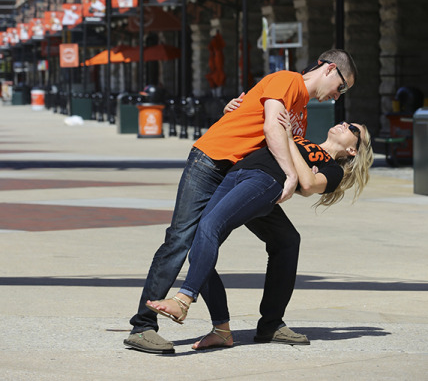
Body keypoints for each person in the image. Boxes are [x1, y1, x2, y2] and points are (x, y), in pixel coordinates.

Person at [124, 49, 357, 354]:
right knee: (182, 238)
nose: (337, 97)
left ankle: (269, 324)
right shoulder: (288, 81)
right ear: (328, 69)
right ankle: (143, 326)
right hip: (212, 162)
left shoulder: (302, 110)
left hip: (247, 175)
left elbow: (275, 136)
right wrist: (289, 175)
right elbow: (272, 127)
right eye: (342, 87)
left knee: (286, 240)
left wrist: (239, 107)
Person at [146, 114, 373, 350]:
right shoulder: (304, 141)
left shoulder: (330, 167)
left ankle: (184, 299)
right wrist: (232, 112)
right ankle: (222, 329)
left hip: (264, 182)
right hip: (236, 174)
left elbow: (308, 184)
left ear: (352, 150)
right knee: (201, 247)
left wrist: (287, 139)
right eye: (347, 122)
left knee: (211, 226)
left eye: (353, 129)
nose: (345, 124)